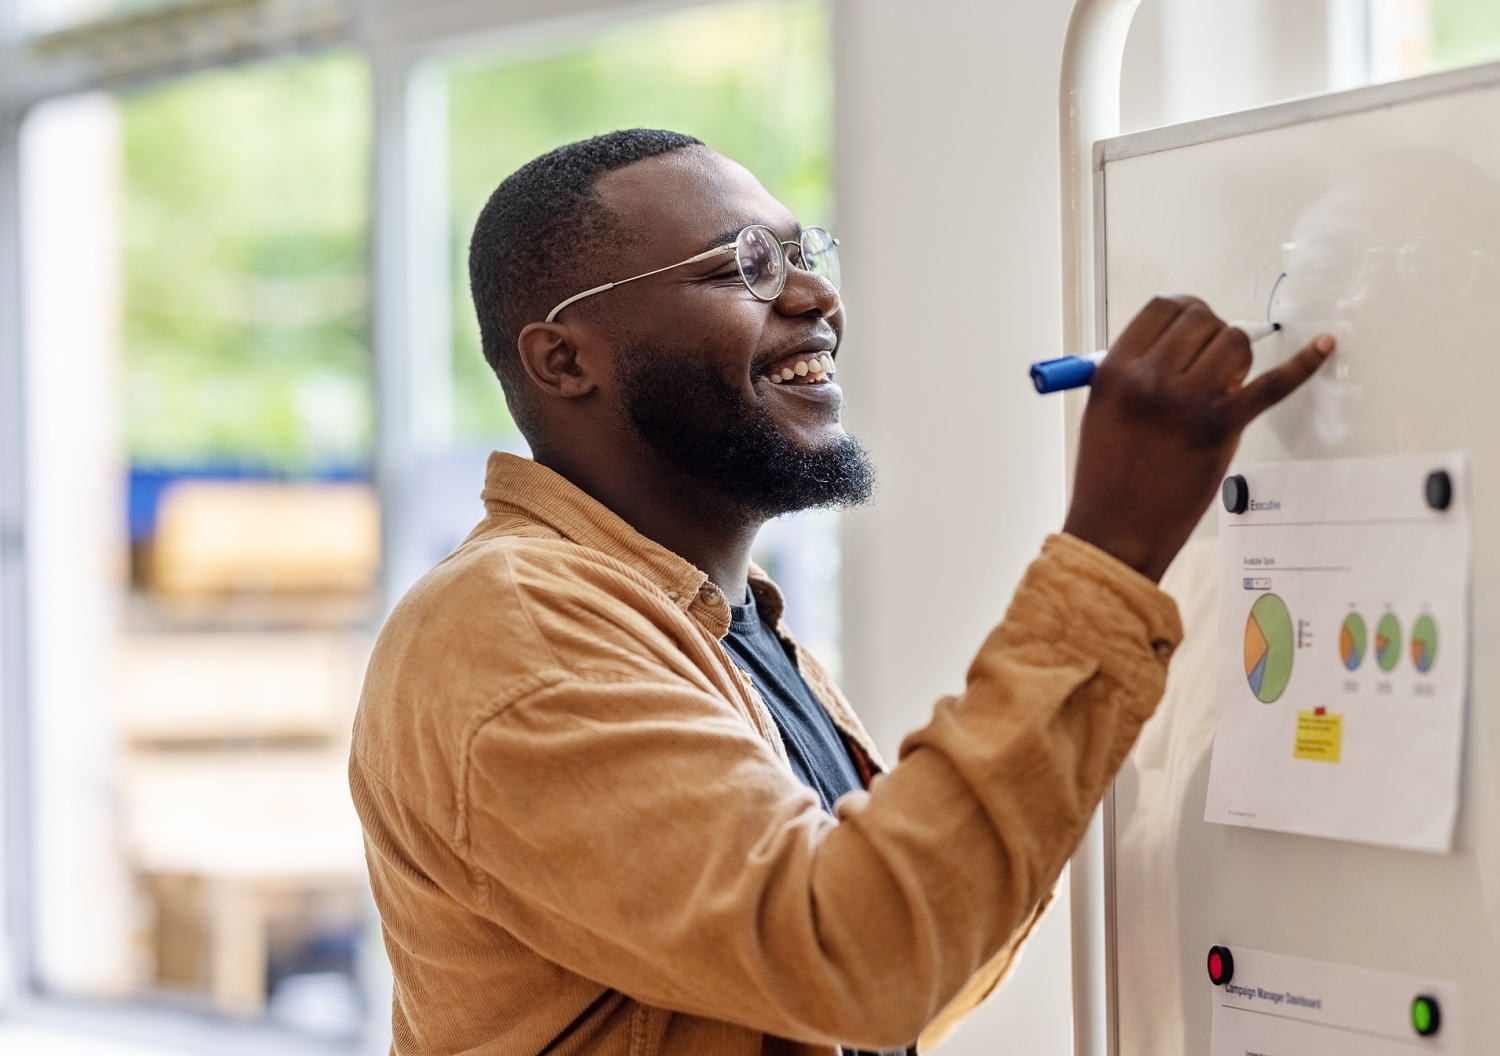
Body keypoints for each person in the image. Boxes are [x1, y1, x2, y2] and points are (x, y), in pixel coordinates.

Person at [348, 128, 1334, 1056]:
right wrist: (1112, 546)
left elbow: (922, 966)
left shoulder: (725, 623)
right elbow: (863, 952)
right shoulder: (515, 628)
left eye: (802, 251)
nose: (816, 294)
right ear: (566, 358)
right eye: (744, 264)